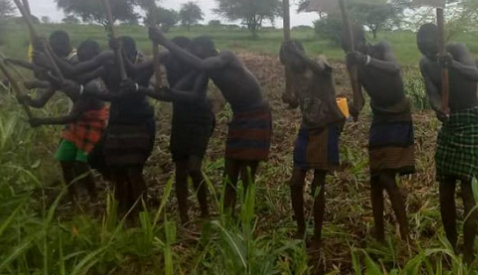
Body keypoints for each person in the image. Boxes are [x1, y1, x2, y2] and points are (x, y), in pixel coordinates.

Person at [148, 29, 271, 215]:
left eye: (197, 53)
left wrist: (164, 41)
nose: (194, 58)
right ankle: (228, 217)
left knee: (247, 173)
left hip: (256, 115)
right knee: (229, 172)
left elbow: (200, 64)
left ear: (209, 50)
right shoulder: (204, 68)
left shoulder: (225, 57)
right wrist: (156, 89)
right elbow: (177, 90)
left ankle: (247, 216)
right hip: (239, 117)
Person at [48, 36, 155, 219]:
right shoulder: (108, 63)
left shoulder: (144, 65)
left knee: (133, 170)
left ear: (131, 52)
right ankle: (123, 210)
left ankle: (140, 215)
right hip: (117, 121)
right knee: (114, 167)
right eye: (114, 53)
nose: (114, 57)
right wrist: (49, 57)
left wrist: (91, 91)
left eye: (120, 53)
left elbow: (126, 86)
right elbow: (75, 72)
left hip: (139, 121)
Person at [417, 23, 478, 262]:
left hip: (471, 121)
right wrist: (439, 108)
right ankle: (451, 243)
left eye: (430, 48)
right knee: (445, 189)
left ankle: (468, 251)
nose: (428, 53)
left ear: (440, 42)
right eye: (422, 49)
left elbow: (475, 75)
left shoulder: (456, 49)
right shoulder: (425, 63)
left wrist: (452, 64)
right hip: (451, 123)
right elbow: (432, 92)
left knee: (468, 191)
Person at [15, 40, 108, 205]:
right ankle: (73, 197)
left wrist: (41, 121)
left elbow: (72, 117)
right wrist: (26, 99)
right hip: (75, 124)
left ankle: (94, 198)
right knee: (65, 160)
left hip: (90, 124)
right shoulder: (68, 77)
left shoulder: (92, 85)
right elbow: (41, 99)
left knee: (81, 164)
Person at [344, 26, 414, 242]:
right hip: (380, 118)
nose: (351, 50)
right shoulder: (352, 63)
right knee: (375, 178)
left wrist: (365, 60)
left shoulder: (381, 48)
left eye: (354, 45)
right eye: (346, 48)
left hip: (398, 114)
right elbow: (359, 101)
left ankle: (405, 232)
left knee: (386, 176)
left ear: (364, 41)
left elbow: (394, 68)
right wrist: (351, 108)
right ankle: (380, 235)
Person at [280, 40, 346, 249]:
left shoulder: (319, 61)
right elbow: (296, 101)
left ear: (300, 54)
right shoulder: (292, 72)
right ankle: (301, 230)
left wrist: (299, 55)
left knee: (318, 184)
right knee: (295, 182)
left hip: (327, 126)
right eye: (286, 63)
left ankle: (317, 236)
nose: (290, 66)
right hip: (307, 127)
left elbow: (322, 71)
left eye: (291, 60)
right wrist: (289, 99)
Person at [142, 36, 215, 225]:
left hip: (200, 120)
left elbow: (193, 96)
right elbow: (138, 70)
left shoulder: (198, 66)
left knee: (194, 168)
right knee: (180, 171)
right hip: (180, 120)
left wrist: (164, 92)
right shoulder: (169, 60)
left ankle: (205, 213)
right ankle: (184, 216)